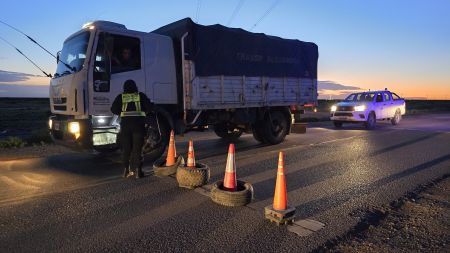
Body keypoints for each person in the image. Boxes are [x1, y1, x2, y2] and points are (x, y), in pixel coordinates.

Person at [111, 80, 153, 178]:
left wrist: (122, 112)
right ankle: (138, 172)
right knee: (137, 149)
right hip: (138, 126)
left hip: (125, 127)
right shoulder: (140, 96)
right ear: (135, 87)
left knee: (126, 149)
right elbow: (150, 107)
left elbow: (113, 109)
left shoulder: (121, 97)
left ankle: (126, 170)